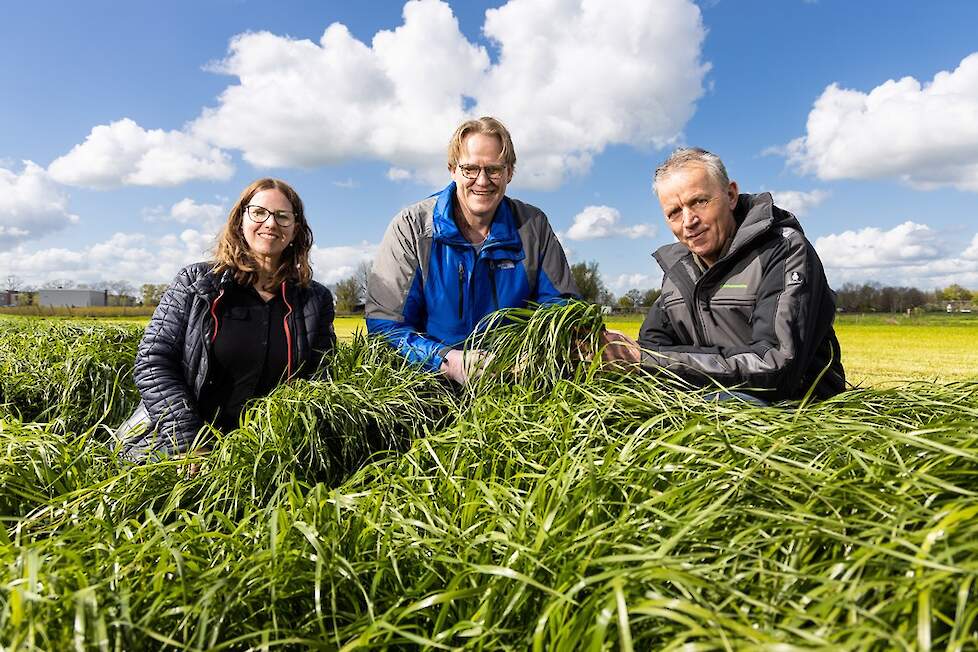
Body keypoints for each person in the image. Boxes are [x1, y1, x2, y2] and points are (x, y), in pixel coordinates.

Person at [116, 178, 336, 460]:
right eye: (259, 212)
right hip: (177, 443)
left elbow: (320, 378)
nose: (270, 223)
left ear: (296, 230)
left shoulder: (314, 300)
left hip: (263, 456)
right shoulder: (195, 283)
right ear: (240, 220)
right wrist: (186, 441)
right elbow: (153, 360)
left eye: (283, 216)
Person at [606, 147, 844, 402]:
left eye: (699, 201)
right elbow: (653, 347)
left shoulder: (782, 250)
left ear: (730, 195)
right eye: (674, 212)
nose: (688, 221)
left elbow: (776, 366)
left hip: (795, 408)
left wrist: (647, 360)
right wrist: (615, 351)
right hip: (712, 401)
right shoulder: (677, 272)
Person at [366, 116, 578, 383]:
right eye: (470, 169)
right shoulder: (412, 227)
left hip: (513, 382)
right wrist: (447, 361)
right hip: (428, 385)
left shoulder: (532, 226)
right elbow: (386, 325)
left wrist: (532, 356)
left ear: (510, 172)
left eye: (494, 169)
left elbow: (561, 306)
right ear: (452, 170)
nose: (482, 181)